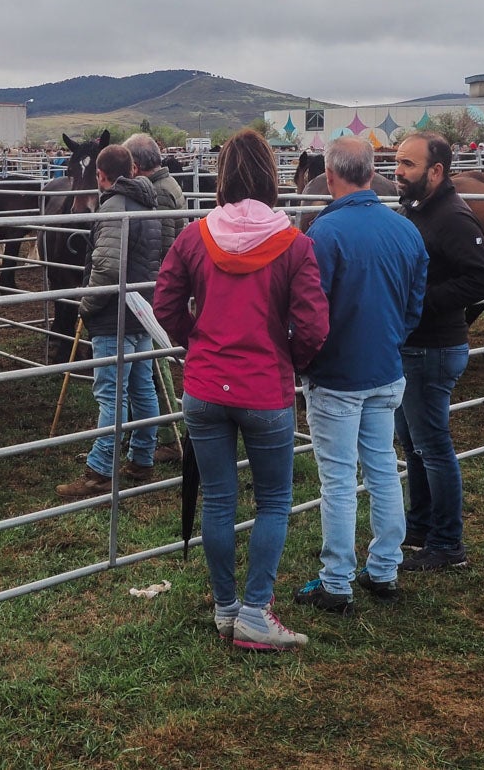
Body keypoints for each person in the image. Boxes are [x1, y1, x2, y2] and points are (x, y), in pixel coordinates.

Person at [153, 129, 329, 651]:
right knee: (274, 499)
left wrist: (195, 343)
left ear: (222, 176)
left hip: (205, 388)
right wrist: (289, 361)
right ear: (272, 178)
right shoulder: (295, 244)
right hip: (264, 389)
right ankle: (255, 611)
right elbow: (314, 325)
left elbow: (165, 306)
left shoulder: (194, 237)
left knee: (219, 500)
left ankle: (226, 607)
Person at [292, 137, 428, 615]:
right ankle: (385, 569)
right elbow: (415, 305)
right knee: (384, 471)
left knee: (338, 479)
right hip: (386, 371)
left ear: (329, 176)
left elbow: (309, 314)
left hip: (337, 376)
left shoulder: (324, 235)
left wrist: (304, 362)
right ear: (372, 173)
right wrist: (391, 339)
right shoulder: (406, 230)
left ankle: (336, 581)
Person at [392, 131, 484, 571]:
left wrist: (422, 302)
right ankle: (420, 526)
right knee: (414, 444)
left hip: (433, 348)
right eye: (397, 163)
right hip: (415, 346)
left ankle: (447, 544)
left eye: (408, 165)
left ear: (436, 172)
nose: (398, 172)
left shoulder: (453, 217)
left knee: (432, 446)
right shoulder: (419, 209)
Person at [56, 145, 169, 498]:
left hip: (112, 317)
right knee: (142, 387)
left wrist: (86, 305)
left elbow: (105, 268)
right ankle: (141, 458)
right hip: (140, 312)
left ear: (103, 176)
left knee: (111, 394)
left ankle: (100, 470)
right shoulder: (150, 207)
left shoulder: (113, 208)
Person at [124, 132, 188, 461]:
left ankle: (165, 432)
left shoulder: (159, 193)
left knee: (155, 361)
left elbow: (162, 245)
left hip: (156, 284)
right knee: (152, 360)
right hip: (162, 281)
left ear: (136, 165)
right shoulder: (169, 185)